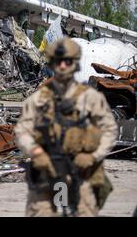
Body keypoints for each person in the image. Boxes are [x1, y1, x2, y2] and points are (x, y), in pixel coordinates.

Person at [14, 38, 117, 217]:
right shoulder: (39, 99)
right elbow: (22, 131)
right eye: (58, 61)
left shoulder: (91, 98)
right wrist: (36, 152)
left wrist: (93, 156)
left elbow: (110, 131)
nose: (62, 66)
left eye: (68, 61)